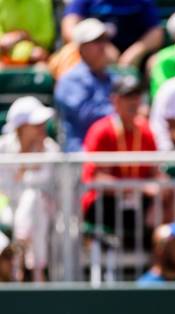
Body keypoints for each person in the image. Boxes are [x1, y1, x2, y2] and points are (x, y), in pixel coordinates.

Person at [81, 75, 175, 246]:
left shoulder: (145, 130)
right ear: (115, 101)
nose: (133, 102)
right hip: (105, 205)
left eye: (136, 96)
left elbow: (154, 173)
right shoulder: (101, 131)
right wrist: (141, 188)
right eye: (128, 97)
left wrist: (162, 188)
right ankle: (163, 256)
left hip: (138, 203)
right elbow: (95, 180)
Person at [0, 97, 59, 282]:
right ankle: (36, 273)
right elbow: (5, 187)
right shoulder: (3, 147)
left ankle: (22, 262)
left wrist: (23, 170)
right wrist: (27, 167)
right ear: (21, 127)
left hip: (45, 212)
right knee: (30, 205)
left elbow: (45, 184)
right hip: (6, 209)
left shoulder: (50, 149)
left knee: (32, 200)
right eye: (36, 124)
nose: (42, 127)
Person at [54, 18, 115, 152]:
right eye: (96, 41)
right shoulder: (69, 80)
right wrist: (123, 112)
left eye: (105, 40)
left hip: (114, 153)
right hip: (81, 157)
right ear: (81, 48)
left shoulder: (113, 76)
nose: (103, 46)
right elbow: (87, 116)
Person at [61, 0, 163, 68]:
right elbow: (69, 27)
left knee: (157, 62)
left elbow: (156, 32)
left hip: (135, 58)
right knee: (68, 55)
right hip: (95, 52)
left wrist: (134, 53)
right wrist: (103, 48)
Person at [0, 0, 55, 67]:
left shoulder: (43, 2)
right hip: (4, 57)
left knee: (41, 66)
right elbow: (2, 43)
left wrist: (21, 36)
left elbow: (45, 40)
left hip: (34, 56)